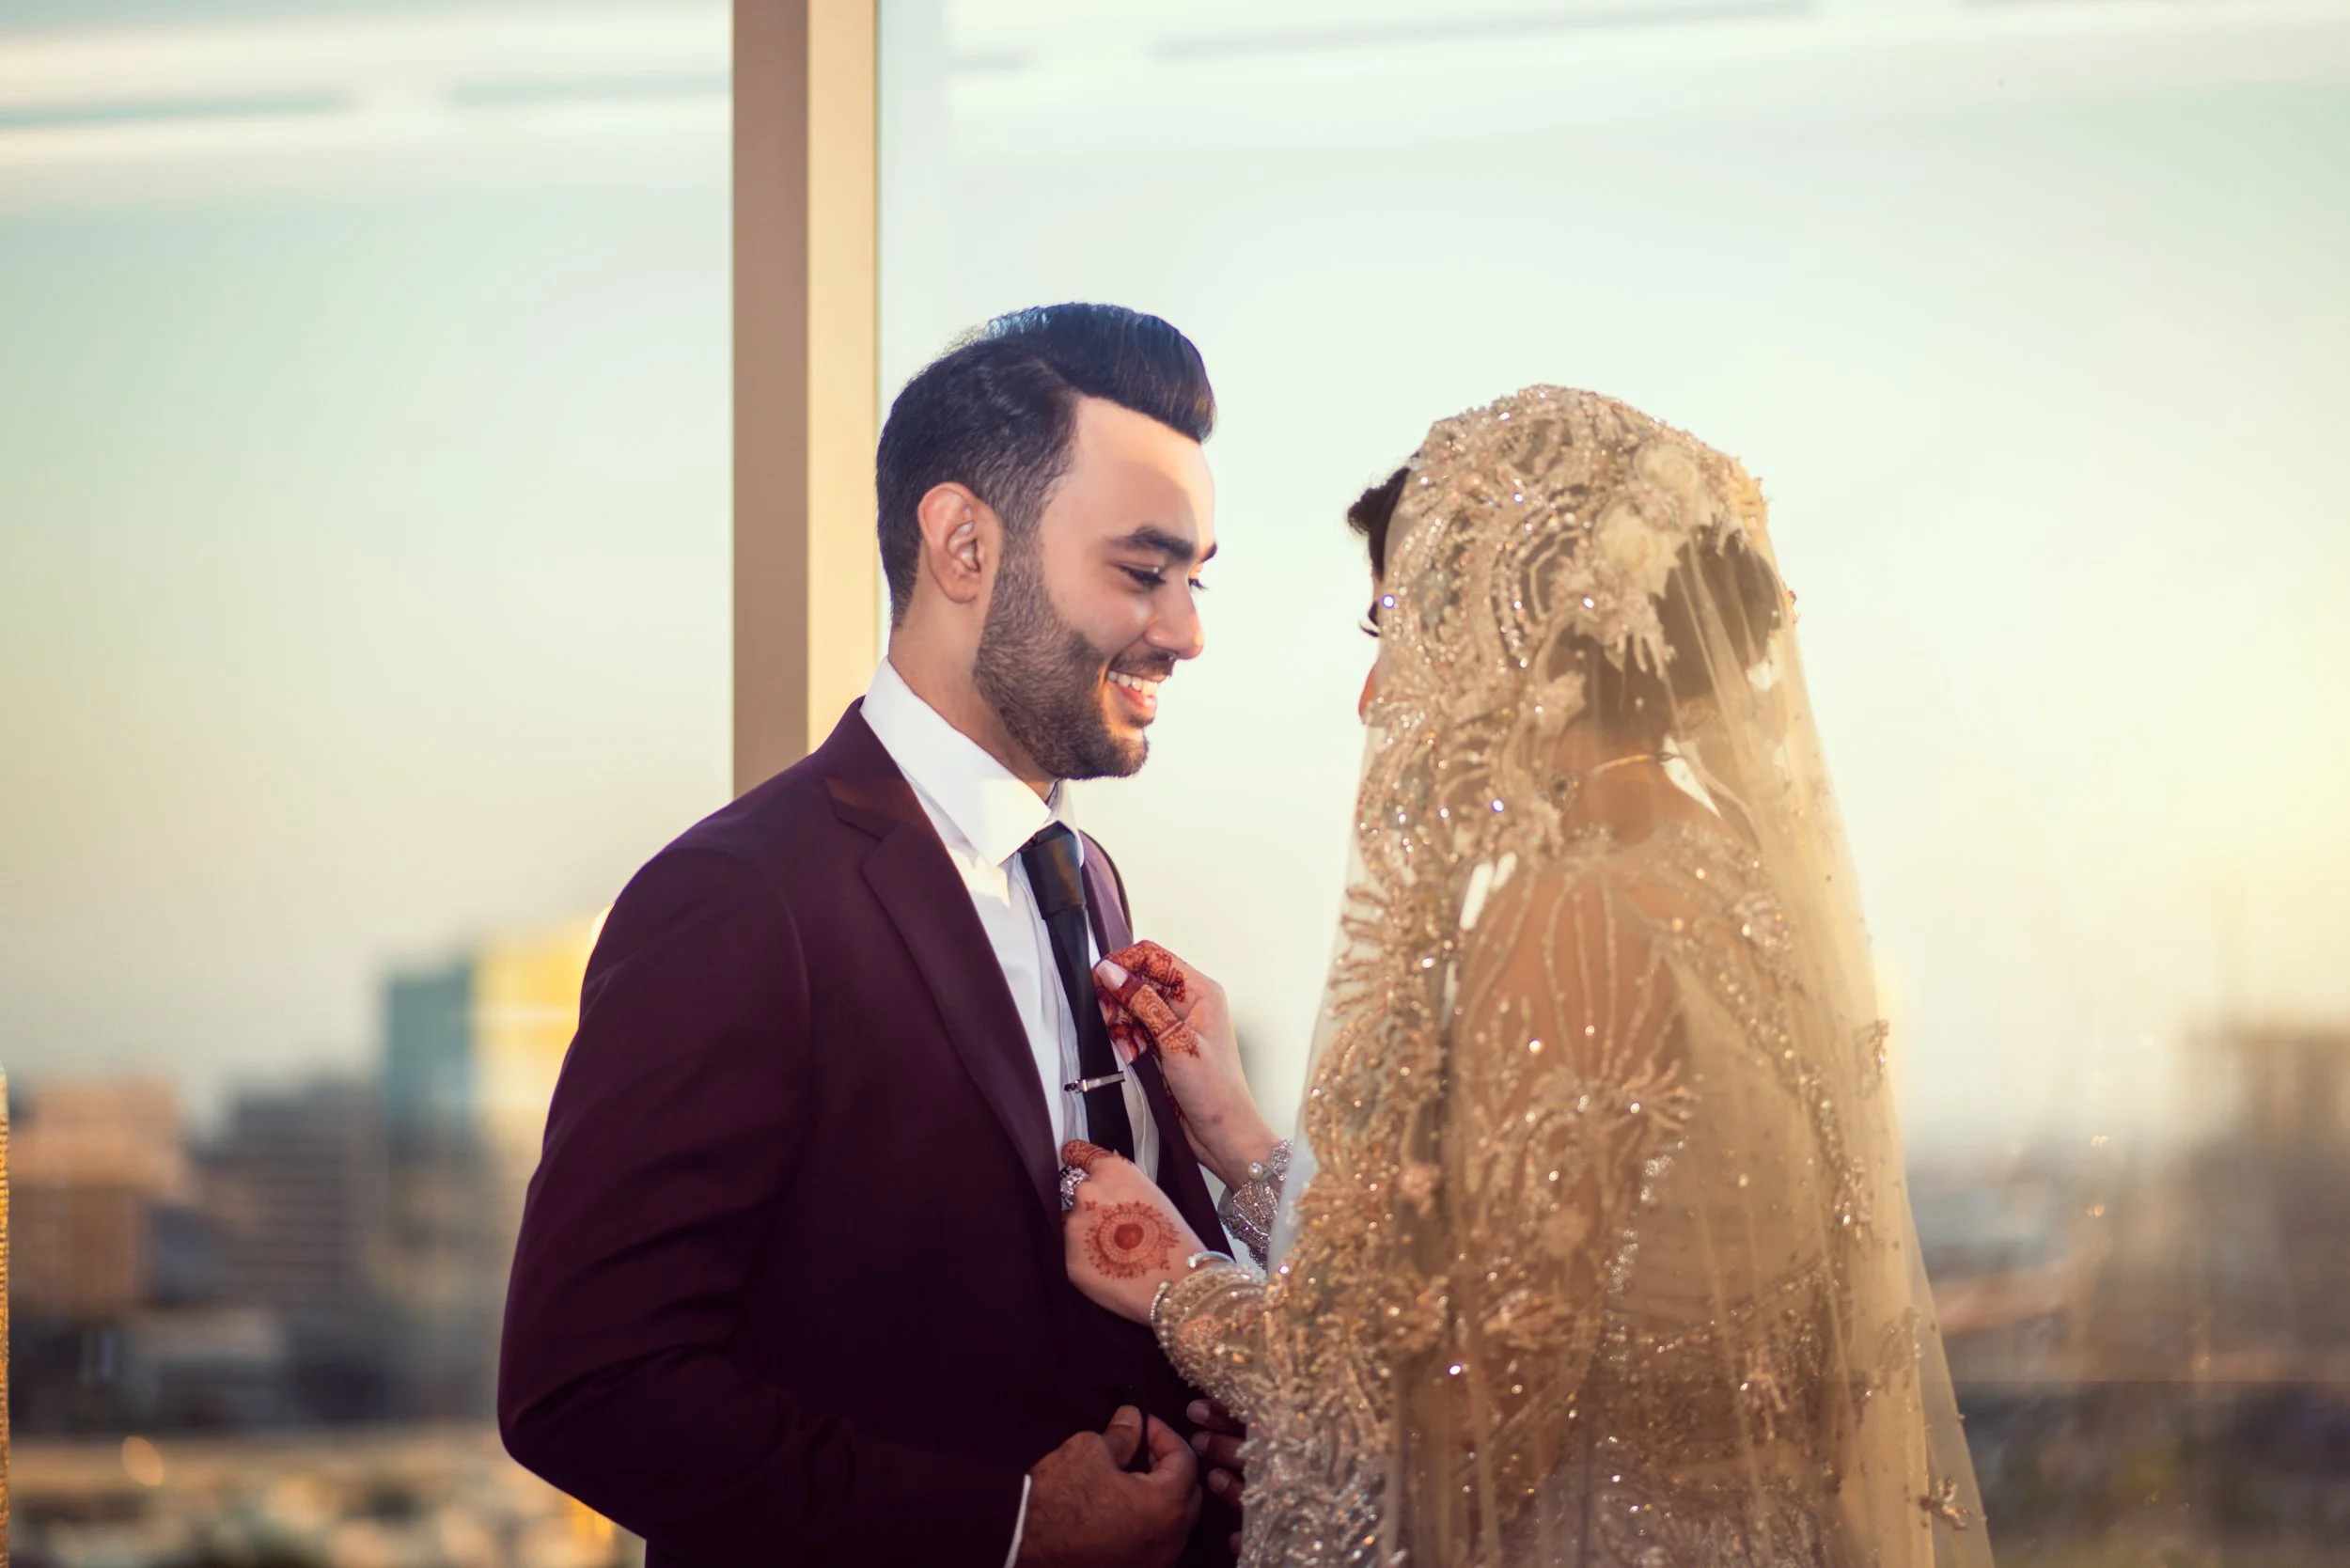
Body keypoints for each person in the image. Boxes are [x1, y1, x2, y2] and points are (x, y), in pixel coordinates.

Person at [1060, 387, 1995, 1566]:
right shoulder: (1725, 874)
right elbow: (1557, 1286)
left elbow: (1463, 1435)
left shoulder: (1577, 912)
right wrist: (1246, 1148)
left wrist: (1177, 1287)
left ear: (1515, 635)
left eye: (1390, 629)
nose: (1374, 697)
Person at [499, 304, 1242, 1567]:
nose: (1186, 631)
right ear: (962, 543)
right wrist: (1008, 1529)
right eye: (1142, 572)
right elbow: (587, 1387)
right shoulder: (741, 903)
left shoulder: (1090, 885)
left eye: (1195, 579)